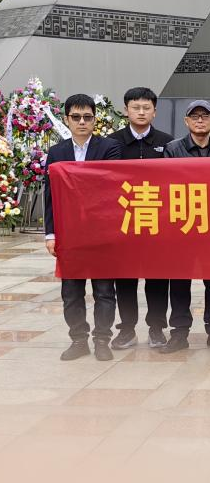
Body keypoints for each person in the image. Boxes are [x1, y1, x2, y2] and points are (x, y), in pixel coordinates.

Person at [45, 94, 123, 361]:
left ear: (94, 119)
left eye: (87, 117)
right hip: (69, 234)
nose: (81, 122)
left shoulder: (110, 148)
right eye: (76, 117)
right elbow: (51, 195)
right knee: (71, 293)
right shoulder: (57, 152)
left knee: (104, 291)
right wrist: (51, 234)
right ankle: (78, 340)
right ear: (67, 119)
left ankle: (102, 340)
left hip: (102, 233)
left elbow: (108, 187)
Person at [161, 100, 210, 354]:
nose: (200, 120)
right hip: (182, 228)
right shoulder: (172, 149)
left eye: (205, 116)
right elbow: (166, 187)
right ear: (186, 121)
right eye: (195, 116)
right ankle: (179, 333)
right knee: (179, 282)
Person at [107, 87, 174, 350]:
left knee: (158, 277)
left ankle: (157, 328)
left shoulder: (167, 142)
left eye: (147, 108)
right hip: (123, 223)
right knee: (124, 278)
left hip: (157, 222)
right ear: (126, 110)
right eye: (136, 107)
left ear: (155, 112)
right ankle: (127, 329)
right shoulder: (112, 143)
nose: (141, 112)